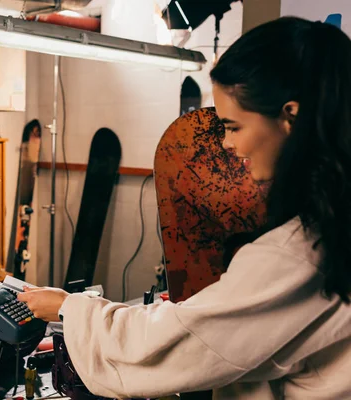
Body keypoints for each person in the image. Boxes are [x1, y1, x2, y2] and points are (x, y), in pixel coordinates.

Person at [19, 17, 351, 399]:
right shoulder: (331, 224)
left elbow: (176, 341)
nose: (226, 143)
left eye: (234, 126)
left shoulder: (297, 254)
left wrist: (69, 309)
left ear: (289, 117)